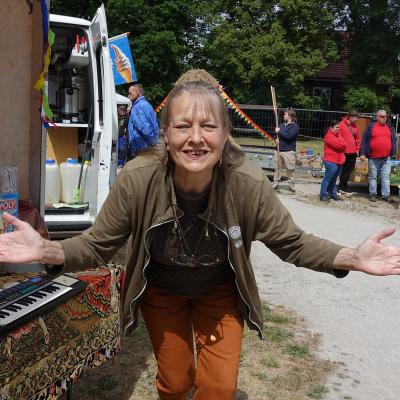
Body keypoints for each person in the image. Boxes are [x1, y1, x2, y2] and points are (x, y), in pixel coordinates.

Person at [1, 81, 400, 400]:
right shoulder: (138, 179)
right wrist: (47, 250)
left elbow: (291, 242)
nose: (196, 138)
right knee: (174, 382)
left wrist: (351, 256)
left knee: (219, 389)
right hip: (162, 290)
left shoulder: (247, 183)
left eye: (208, 126)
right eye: (183, 126)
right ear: (165, 135)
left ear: (225, 134)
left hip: (219, 291)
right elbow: (96, 244)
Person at [360, 110, 396, 202]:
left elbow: (393, 140)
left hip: (386, 157)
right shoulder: (371, 127)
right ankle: (373, 194)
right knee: (373, 177)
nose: (384, 118)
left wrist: (393, 151)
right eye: (382, 116)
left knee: (386, 177)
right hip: (373, 157)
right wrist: (362, 153)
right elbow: (364, 140)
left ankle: (385, 195)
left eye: (385, 116)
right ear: (377, 117)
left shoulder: (389, 127)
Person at [127, 83, 159, 159]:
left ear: (137, 92)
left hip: (142, 150)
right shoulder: (146, 104)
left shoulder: (137, 107)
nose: (128, 96)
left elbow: (145, 129)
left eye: (130, 93)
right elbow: (155, 126)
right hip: (147, 149)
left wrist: (153, 145)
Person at [273, 108, 299, 193]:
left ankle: (291, 184)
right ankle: (276, 183)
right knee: (277, 168)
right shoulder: (280, 125)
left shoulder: (295, 126)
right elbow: (275, 136)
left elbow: (289, 137)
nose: (284, 116)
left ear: (290, 116)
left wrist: (279, 132)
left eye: (285, 114)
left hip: (289, 151)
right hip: (278, 150)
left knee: (290, 169)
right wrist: (275, 140)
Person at [320, 120, 346, 202]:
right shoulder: (329, 136)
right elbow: (340, 146)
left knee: (334, 179)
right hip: (331, 161)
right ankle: (323, 195)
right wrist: (343, 145)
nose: (338, 129)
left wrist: (342, 144)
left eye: (339, 127)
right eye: (336, 127)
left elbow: (344, 144)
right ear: (331, 127)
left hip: (338, 160)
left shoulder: (338, 135)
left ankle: (332, 193)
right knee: (328, 178)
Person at [337, 111, 360, 194]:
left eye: (357, 117)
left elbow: (358, 139)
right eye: (355, 117)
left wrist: (357, 150)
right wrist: (343, 147)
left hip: (353, 153)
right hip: (343, 152)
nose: (357, 119)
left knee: (348, 171)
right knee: (339, 170)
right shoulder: (341, 125)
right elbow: (339, 137)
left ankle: (343, 187)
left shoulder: (355, 127)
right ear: (350, 117)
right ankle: (335, 187)